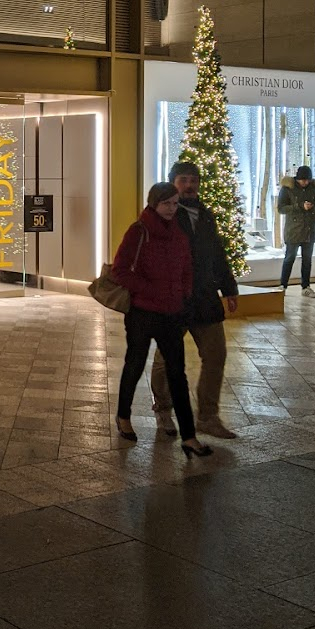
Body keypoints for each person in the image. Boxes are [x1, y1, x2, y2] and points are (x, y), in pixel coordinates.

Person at [112, 182, 212, 458]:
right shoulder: (139, 232)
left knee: (177, 374)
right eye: (166, 203)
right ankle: (123, 417)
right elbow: (121, 270)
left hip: (171, 313)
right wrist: (151, 290)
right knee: (134, 365)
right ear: (154, 204)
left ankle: (189, 436)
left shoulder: (177, 234)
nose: (171, 209)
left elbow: (186, 268)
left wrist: (184, 293)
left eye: (175, 203)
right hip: (143, 312)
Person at [149, 160, 239, 440]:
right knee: (167, 359)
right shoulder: (161, 215)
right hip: (173, 300)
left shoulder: (206, 214)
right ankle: (163, 409)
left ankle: (208, 417)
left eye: (193, 180)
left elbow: (216, 253)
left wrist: (229, 288)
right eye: (183, 180)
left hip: (204, 299)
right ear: (173, 183)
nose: (189, 185)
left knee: (216, 355)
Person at [278, 165, 315, 298]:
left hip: (309, 230)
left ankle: (306, 286)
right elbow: (281, 208)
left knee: (307, 259)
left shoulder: (312, 188)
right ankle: (283, 285)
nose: (305, 182)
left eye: (307, 180)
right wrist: (300, 206)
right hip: (294, 230)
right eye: (303, 180)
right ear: (297, 179)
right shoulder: (287, 189)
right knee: (290, 258)